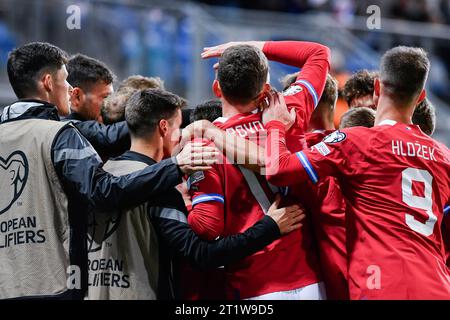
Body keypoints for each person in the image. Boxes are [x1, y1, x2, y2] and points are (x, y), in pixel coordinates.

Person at [0, 42, 215, 300]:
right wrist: (176, 167)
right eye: (65, 80)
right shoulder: (60, 135)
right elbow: (104, 193)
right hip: (55, 287)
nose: (69, 89)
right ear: (48, 82)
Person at [263, 46, 450, 299]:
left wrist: (275, 125)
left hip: (382, 287)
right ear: (421, 97)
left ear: (377, 89)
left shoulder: (356, 142)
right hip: (437, 286)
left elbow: (278, 169)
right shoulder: (443, 155)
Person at [87, 88, 304, 299]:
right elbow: (201, 254)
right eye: (180, 127)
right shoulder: (161, 189)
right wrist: (268, 228)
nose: (183, 136)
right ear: (164, 128)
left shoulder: (100, 175)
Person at [187, 40, 330, 300]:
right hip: (311, 280)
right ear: (265, 90)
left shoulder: (203, 143)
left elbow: (207, 226)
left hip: (255, 285)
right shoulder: (289, 110)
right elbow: (318, 53)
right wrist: (253, 46)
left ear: (216, 88)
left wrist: (183, 198)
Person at [66, 54, 115, 122]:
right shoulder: (70, 131)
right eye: (106, 97)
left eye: (112, 97)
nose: (112, 104)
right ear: (77, 97)